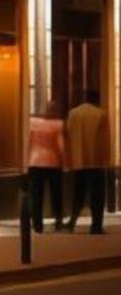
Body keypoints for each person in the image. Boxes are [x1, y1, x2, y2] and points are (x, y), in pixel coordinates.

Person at [65, 90, 110, 234]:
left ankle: (72, 221)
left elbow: (67, 136)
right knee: (97, 195)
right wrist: (106, 160)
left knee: (78, 192)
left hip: (78, 160)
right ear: (97, 99)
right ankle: (96, 226)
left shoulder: (73, 114)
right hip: (95, 161)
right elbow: (104, 141)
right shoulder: (101, 114)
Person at [27, 100, 66, 232]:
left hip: (35, 161)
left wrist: (26, 160)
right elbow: (61, 145)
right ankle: (58, 221)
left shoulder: (33, 123)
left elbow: (28, 142)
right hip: (53, 162)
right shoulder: (58, 125)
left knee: (36, 194)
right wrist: (64, 160)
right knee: (56, 193)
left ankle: (37, 224)